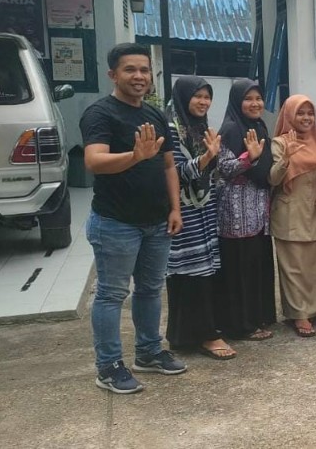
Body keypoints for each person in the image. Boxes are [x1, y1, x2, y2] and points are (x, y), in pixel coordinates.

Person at [81, 43, 186, 394]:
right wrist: (135, 156)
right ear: (113, 74)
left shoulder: (155, 115)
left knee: (151, 290)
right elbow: (94, 161)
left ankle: (149, 352)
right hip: (116, 222)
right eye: (130, 69)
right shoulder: (100, 114)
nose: (139, 76)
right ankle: (109, 366)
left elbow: (169, 165)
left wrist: (175, 208)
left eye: (144, 70)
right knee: (112, 295)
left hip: (157, 221)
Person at [165, 76, 234, 360]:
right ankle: (204, 335)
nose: (203, 102)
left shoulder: (199, 127)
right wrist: (207, 158)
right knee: (188, 273)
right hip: (182, 210)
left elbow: (210, 172)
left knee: (203, 272)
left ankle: (188, 335)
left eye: (207, 97)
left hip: (203, 209)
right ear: (184, 97)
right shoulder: (172, 129)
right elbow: (176, 173)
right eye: (198, 96)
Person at [215, 79, 276, 343]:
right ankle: (240, 325)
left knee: (255, 266)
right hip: (236, 213)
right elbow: (224, 168)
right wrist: (248, 158)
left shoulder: (259, 126)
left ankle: (256, 317)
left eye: (258, 98)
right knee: (239, 269)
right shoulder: (230, 129)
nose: (255, 104)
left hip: (257, 210)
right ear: (237, 102)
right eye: (248, 99)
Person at [269, 95, 316, 337]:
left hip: (314, 210)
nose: (306, 118)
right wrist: (286, 159)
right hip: (289, 211)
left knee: (313, 265)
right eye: (300, 113)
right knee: (292, 266)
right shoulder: (280, 143)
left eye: (310, 113)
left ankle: (312, 309)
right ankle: (298, 313)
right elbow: (273, 179)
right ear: (289, 116)